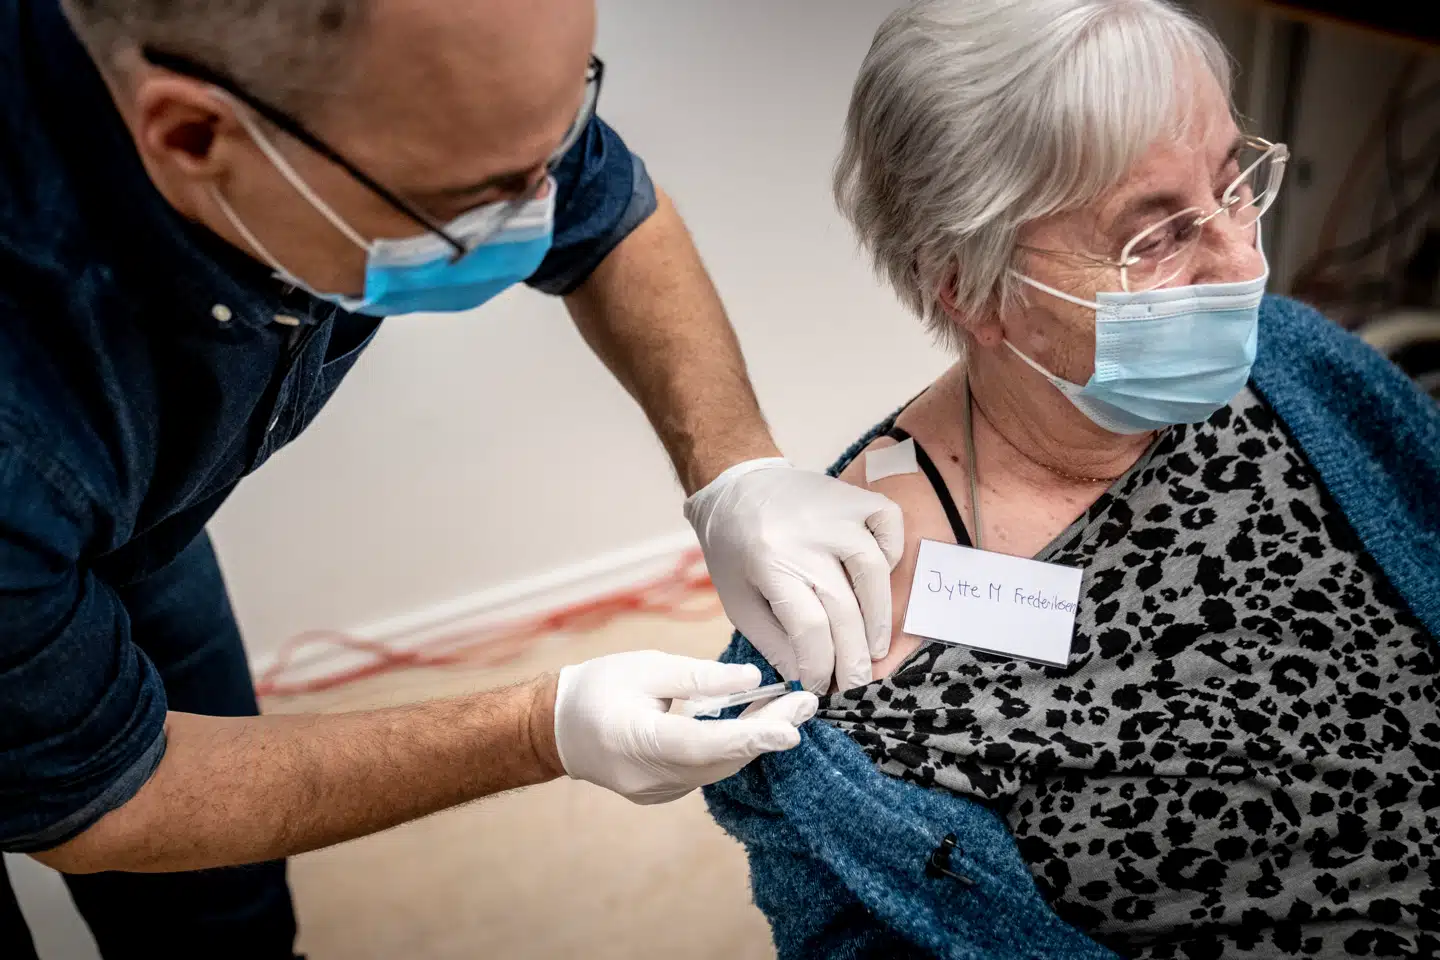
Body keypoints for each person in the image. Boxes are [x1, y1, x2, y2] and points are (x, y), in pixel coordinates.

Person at [0, 0, 909, 956]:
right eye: (483, 194)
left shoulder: (411, 94)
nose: (541, 205)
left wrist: (738, 468)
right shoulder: (25, 433)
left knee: (221, 917)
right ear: (195, 136)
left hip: (125, 524)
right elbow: (115, 799)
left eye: (557, 141)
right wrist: (540, 730)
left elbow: (606, 219)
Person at [704, 1, 1440, 957]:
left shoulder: (1292, 366)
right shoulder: (838, 636)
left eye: (1235, 184)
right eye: (1155, 239)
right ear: (971, 289)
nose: (1242, 263)